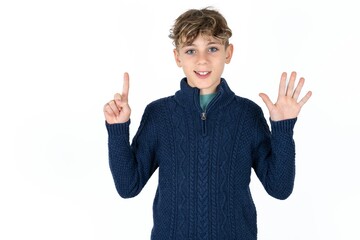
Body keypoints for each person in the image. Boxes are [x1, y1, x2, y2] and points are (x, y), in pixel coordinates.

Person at [103, 7, 312, 240]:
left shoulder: (247, 115)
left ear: (228, 53)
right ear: (177, 57)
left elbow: (280, 189)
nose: (202, 60)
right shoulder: (159, 114)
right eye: (191, 50)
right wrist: (117, 129)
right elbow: (128, 187)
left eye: (212, 48)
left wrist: (283, 129)